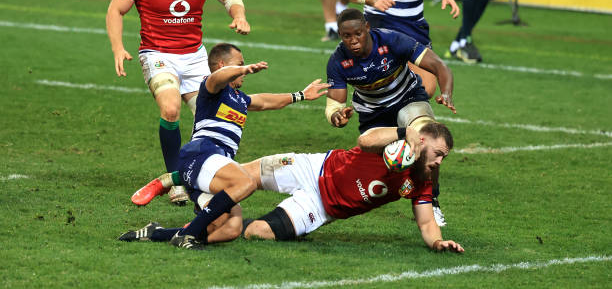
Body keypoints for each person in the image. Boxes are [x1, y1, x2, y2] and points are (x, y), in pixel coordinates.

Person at [120, 123, 464, 253]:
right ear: (421, 141)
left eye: (443, 158)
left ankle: (162, 231)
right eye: (436, 154)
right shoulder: (394, 143)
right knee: (243, 178)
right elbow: (364, 138)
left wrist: (437, 241)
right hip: (312, 167)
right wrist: (401, 133)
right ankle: (182, 180)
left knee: (252, 232)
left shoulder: (423, 181)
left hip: (322, 209)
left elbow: (425, 222)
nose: (438, 162)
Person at [123, 43, 329, 249]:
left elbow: (266, 101)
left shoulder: (240, 99)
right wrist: (241, 69)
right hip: (201, 154)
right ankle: (187, 235)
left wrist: (301, 95)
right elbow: (217, 77)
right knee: (246, 183)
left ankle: (157, 233)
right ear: (222, 65)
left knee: (231, 229)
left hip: (214, 168)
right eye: (239, 63)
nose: (244, 70)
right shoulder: (211, 88)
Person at [105, 0, 251, 205]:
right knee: (170, 108)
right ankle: (175, 181)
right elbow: (115, 10)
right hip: (157, 55)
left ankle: (201, 176)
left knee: (210, 119)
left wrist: (239, 14)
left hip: (195, 57)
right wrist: (118, 48)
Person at [325, 8, 455, 226]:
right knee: (378, 164)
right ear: (340, 35)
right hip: (372, 114)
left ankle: (431, 201)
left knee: (427, 140)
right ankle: (333, 203)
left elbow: (439, 65)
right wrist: (336, 116)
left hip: (408, 98)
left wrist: (446, 92)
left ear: (367, 27)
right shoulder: (338, 61)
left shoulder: (392, 40)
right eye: (347, 36)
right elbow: (334, 104)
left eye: (358, 33)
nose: (354, 41)